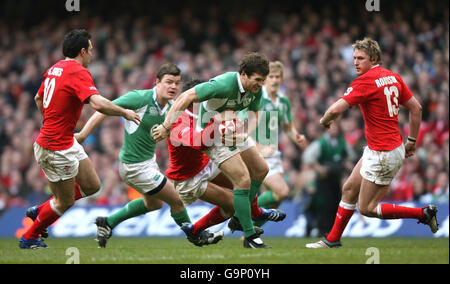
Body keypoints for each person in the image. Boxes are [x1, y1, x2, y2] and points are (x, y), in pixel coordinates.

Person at [306, 38, 439, 248]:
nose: (356, 63)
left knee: (367, 208)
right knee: (349, 188)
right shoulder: (393, 77)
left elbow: (334, 110)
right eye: (354, 58)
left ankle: (422, 213)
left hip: (383, 153)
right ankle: (332, 239)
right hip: (384, 148)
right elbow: (416, 108)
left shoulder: (365, 81)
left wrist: (325, 120)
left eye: (361, 58)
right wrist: (411, 141)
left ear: (374, 59)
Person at [75, 64, 222, 248]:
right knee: (175, 200)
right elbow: (103, 110)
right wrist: (82, 135)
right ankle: (195, 234)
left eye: (177, 83)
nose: (173, 87)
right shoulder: (139, 97)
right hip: (133, 166)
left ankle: (108, 222)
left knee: (154, 204)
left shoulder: (172, 107)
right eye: (168, 82)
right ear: (157, 82)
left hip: (148, 163)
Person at [20, 29, 142, 249]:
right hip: (55, 147)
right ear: (83, 51)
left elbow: (38, 98)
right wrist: (124, 112)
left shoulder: (54, 68)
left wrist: (53, 121)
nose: (92, 55)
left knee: (93, 185)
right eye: (92, 50)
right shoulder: (78, 71)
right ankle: (29, 236)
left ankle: (41, 210)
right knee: (64, 201)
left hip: (64, 140)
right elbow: (96, 103)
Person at [153, 53, 286, 248]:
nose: (260, 85)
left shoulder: (254, 90)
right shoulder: (219, 87)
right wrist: (165, 126)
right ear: (243, 75)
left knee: (260, 169)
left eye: (262, 81)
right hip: (202, 152)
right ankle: (249, 235)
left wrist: (243, 133)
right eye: (257, 80)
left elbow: (254, 114)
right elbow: (189, 104)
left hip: (223, 139)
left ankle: (248, 214)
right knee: (242, 182)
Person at [245, 61, 307, 228]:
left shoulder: (283, 101)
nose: (274, 80)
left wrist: (297, 136)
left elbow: (287, 125)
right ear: (265, 79)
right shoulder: (256, 98)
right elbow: (246, 126)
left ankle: (250, 234)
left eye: (277, 76)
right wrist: (256, 146)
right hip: (256, 153)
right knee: (282, 192)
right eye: (270, 76)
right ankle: (240, 215)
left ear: (282, 79)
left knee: (273, 202)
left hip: (272, 154)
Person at [302, 122, 355, 236]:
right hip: (323, 179)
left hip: (336, 178)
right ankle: (321, 229)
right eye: (332, 127)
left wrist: (346, 165)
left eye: (336, 127)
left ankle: (331, 231)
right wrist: (319, 168)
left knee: (335, 204)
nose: (334, 130)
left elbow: (351, 156)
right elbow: (308, 156)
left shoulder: (342, 142)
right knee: (324, 204)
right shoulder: (321, 143)